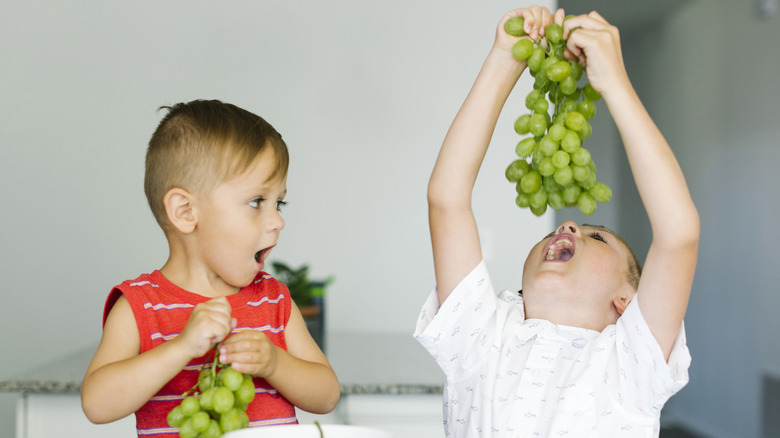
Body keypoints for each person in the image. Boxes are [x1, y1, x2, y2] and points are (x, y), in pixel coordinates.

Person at [414, 6, 699, 437]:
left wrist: (615, 85)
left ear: (626, 303)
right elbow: (447, 198)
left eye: (598, 237)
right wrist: (504, 59)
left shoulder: (629, 361)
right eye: (560, 230)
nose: (568, 226)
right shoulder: (483, 333)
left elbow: (678, 234)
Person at [81, 100, 340, 436]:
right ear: (186, 211)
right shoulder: (139, 307)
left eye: (279, 203)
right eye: (256, 201)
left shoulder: (273, 300)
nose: (278, 221)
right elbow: (97, 405)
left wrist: (276, 363)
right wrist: (182, 347)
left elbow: (327, 395)